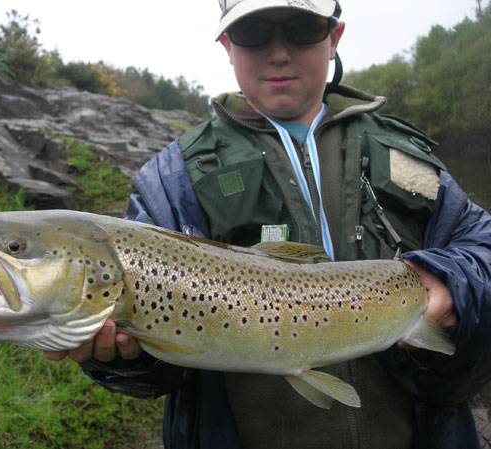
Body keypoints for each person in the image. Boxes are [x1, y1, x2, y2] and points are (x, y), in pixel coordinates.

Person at [44, 1, 491, 447]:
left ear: (333, 39)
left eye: (301, 28)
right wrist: (121, 359)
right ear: (227, 46)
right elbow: (157, 374)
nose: (279, 52)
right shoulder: (173, 180)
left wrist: (453, 285)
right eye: (255, 32)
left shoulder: (408, 158)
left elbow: (482, 246)